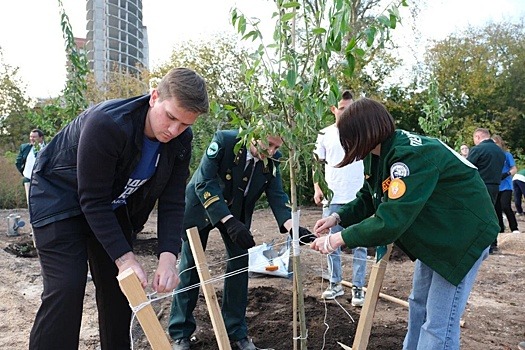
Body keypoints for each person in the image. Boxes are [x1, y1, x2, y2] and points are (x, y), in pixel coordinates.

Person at [27, 67, 209, 350]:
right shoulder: (108, 124)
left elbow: (173, 200)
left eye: (184, 125)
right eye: (171, 117)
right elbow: (91, 199)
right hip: (60, 200)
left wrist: (168, 256)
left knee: (123, 289)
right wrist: (125, 258)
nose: (174, 130)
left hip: (109, 207)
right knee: (67, 288)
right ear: (154, 97)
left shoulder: (180, 141)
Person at [310, 98, 499, 350]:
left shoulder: (409, 157)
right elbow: (369, 196)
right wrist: (337, 218)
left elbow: (390, 221)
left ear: (364, 133)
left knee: (438, 323)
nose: (345, 144)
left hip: (461, 238)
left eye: (347, 137)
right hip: (437, 236)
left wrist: (336, 240)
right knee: (418, 306)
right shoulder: (377, 154)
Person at [168, 130, 313, 350]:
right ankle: (181, 333)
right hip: (201, 209)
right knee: (190, 267)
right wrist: (228, 221)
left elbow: (277, 194)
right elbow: (204, 181)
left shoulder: (272, 158)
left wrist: (293, 227)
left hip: (236, 214)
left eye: (277, 147)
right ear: (255, 133)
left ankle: (236, 331)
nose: (273, 151)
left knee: (239, 265)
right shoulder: (225, 142)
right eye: (270, 144)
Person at [313, 90, 367, 305]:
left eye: (350, 108)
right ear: (333, 109)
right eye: (342, 109)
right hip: (333, 195)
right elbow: (317, 164)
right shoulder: (324, 134)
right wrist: (318, 188)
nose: (346, 113)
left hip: (358, 196)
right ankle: (335, 284)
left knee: (360, 244)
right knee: (330, 243)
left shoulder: (361, 133)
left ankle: (358, 288)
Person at [467, 128, 505, 253]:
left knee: (476, 214)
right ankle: (492, 243)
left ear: (478, 137)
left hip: (480, 186)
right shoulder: (500, 152)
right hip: (495, 185)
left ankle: (476, 243)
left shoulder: (478, 149)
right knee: (491, 214)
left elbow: (467, 167)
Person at [492, 135, 519, 234]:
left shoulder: (506, 155)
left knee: (505, 206)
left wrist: (507, 174)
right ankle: (500, 229)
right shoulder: (491, 156)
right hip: (495, 185)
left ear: (500, 143)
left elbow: (514, 168)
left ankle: (514, 228)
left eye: (496, 143)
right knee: (496, 208)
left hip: (506, 184)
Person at [15, 129, 45, 203]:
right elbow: (18, 162)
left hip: (43, 179)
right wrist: (24, 173)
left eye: (34, 137)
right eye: (31, 137)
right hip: (28, 179)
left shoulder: (47, 147)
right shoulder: (25, 147)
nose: (32, 139)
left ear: (41, 138)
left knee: (42, 200)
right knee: (30, 202)